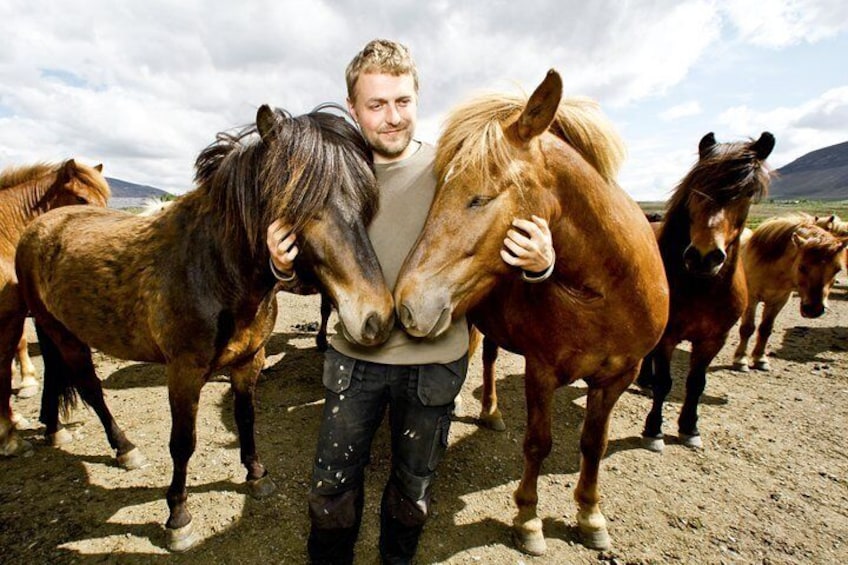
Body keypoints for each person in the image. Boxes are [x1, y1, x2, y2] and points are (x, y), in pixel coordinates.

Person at [267, 39, 555, 565]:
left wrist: (541, 263)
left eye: (402, 101)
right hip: (352, 364)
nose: (392, 118)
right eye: (376, 105)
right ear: (352, 108)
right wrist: (280, 265)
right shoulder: (328, 173)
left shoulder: (456, 168)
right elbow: (314, 271)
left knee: (412, 493)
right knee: (330, 491)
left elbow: (495, 259)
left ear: (417, 99)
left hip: (434, 366)